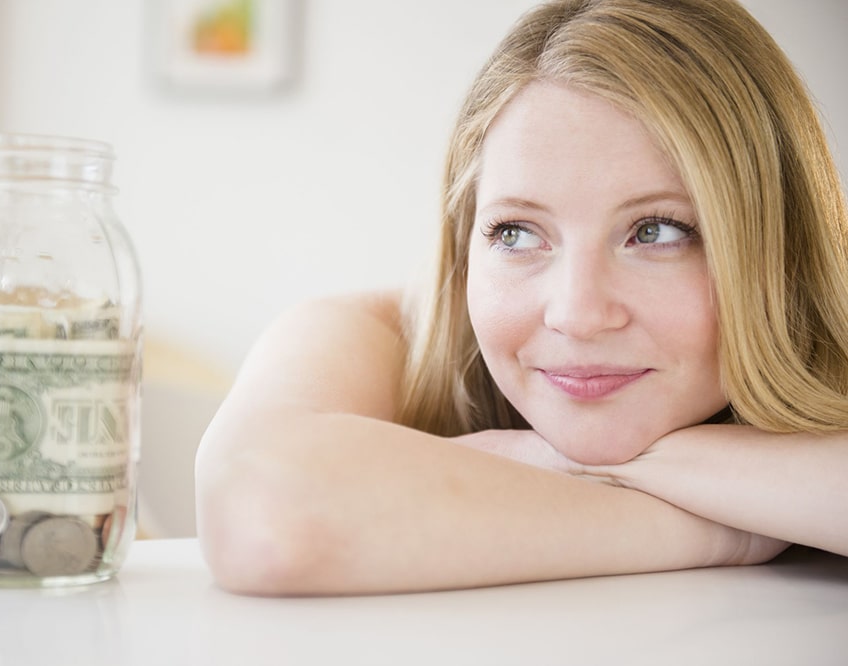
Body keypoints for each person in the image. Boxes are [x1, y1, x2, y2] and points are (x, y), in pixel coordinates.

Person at [194, 0, 848, 596]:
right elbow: (259, 516)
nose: (578, 314)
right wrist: (724, 529)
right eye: (517, 232)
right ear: (464, 243)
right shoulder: (376, 336)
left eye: (656, 232)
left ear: (779, 249)